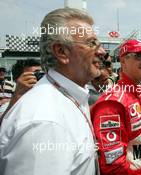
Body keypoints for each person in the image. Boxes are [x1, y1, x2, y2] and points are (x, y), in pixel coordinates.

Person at [0, 8, 105, 175]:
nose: (102, 52)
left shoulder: (71, 96)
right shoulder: (44, 122)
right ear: (61, 52)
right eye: (91, 43)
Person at [91, 39, 141, 175]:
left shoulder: (140, 93)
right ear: (123, 61)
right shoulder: (112, 102)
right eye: (139, 56)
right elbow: (113, 165)